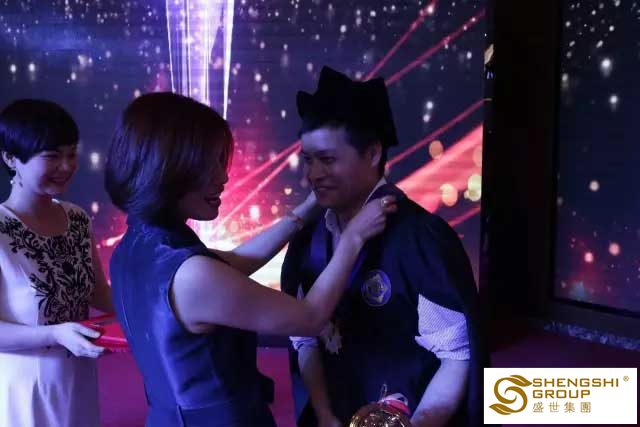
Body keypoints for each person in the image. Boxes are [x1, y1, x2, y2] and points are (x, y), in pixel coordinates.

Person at [104, 92, 397, 427]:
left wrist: (306, 210)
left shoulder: (137, 245)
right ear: (170, 169)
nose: (223, 177)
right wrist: (353, 238)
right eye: (211, 163)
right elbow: (310, 317)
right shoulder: (193, 276)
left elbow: (237, 261)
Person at [281, 66, 488, 427]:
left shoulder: (420, 238)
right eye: (308, 160)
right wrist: (324, 414)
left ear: (373, 153)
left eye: (327, 159)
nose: (313, 174)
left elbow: (456, 355)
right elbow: (306, 340)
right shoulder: (307, 237)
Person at [0, 99, 114, 427]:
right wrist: (55, 334)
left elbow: (97, 293)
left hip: (78, 378)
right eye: (51, 156)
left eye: (71, 154)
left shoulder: (76, 218)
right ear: (10, 158)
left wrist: (155, 312)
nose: (67, 166)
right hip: (25, 387)